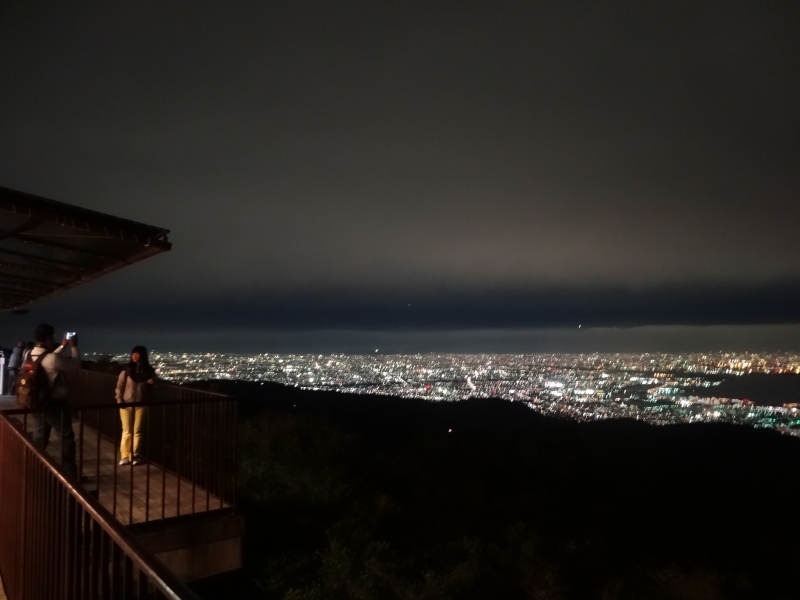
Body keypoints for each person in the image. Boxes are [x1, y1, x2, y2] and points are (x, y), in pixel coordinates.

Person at [29, 324, 80, 479]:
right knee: (66, 437)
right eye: (53, 336)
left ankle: (34, 467)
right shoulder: (52, 358)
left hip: (38, 401)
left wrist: (62, 346)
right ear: (49, 338)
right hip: (55, 404)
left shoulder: (31, 353)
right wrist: (74, 347)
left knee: (40, 436)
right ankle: (69, 473)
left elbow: (48, 359)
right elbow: (75, 365)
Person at [115, 346, 156, 466]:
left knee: (137, 431)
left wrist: (153, 380)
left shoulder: (148, 370)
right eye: (133, 354)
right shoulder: (127, 370)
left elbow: (155, 378)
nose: (134, 356)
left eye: (137, 354)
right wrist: (119, 400)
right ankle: (124, 455)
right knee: (127, 430)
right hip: (126, 403)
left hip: (141, 403)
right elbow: (119, 387)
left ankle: (134, 455)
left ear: (142, 356)